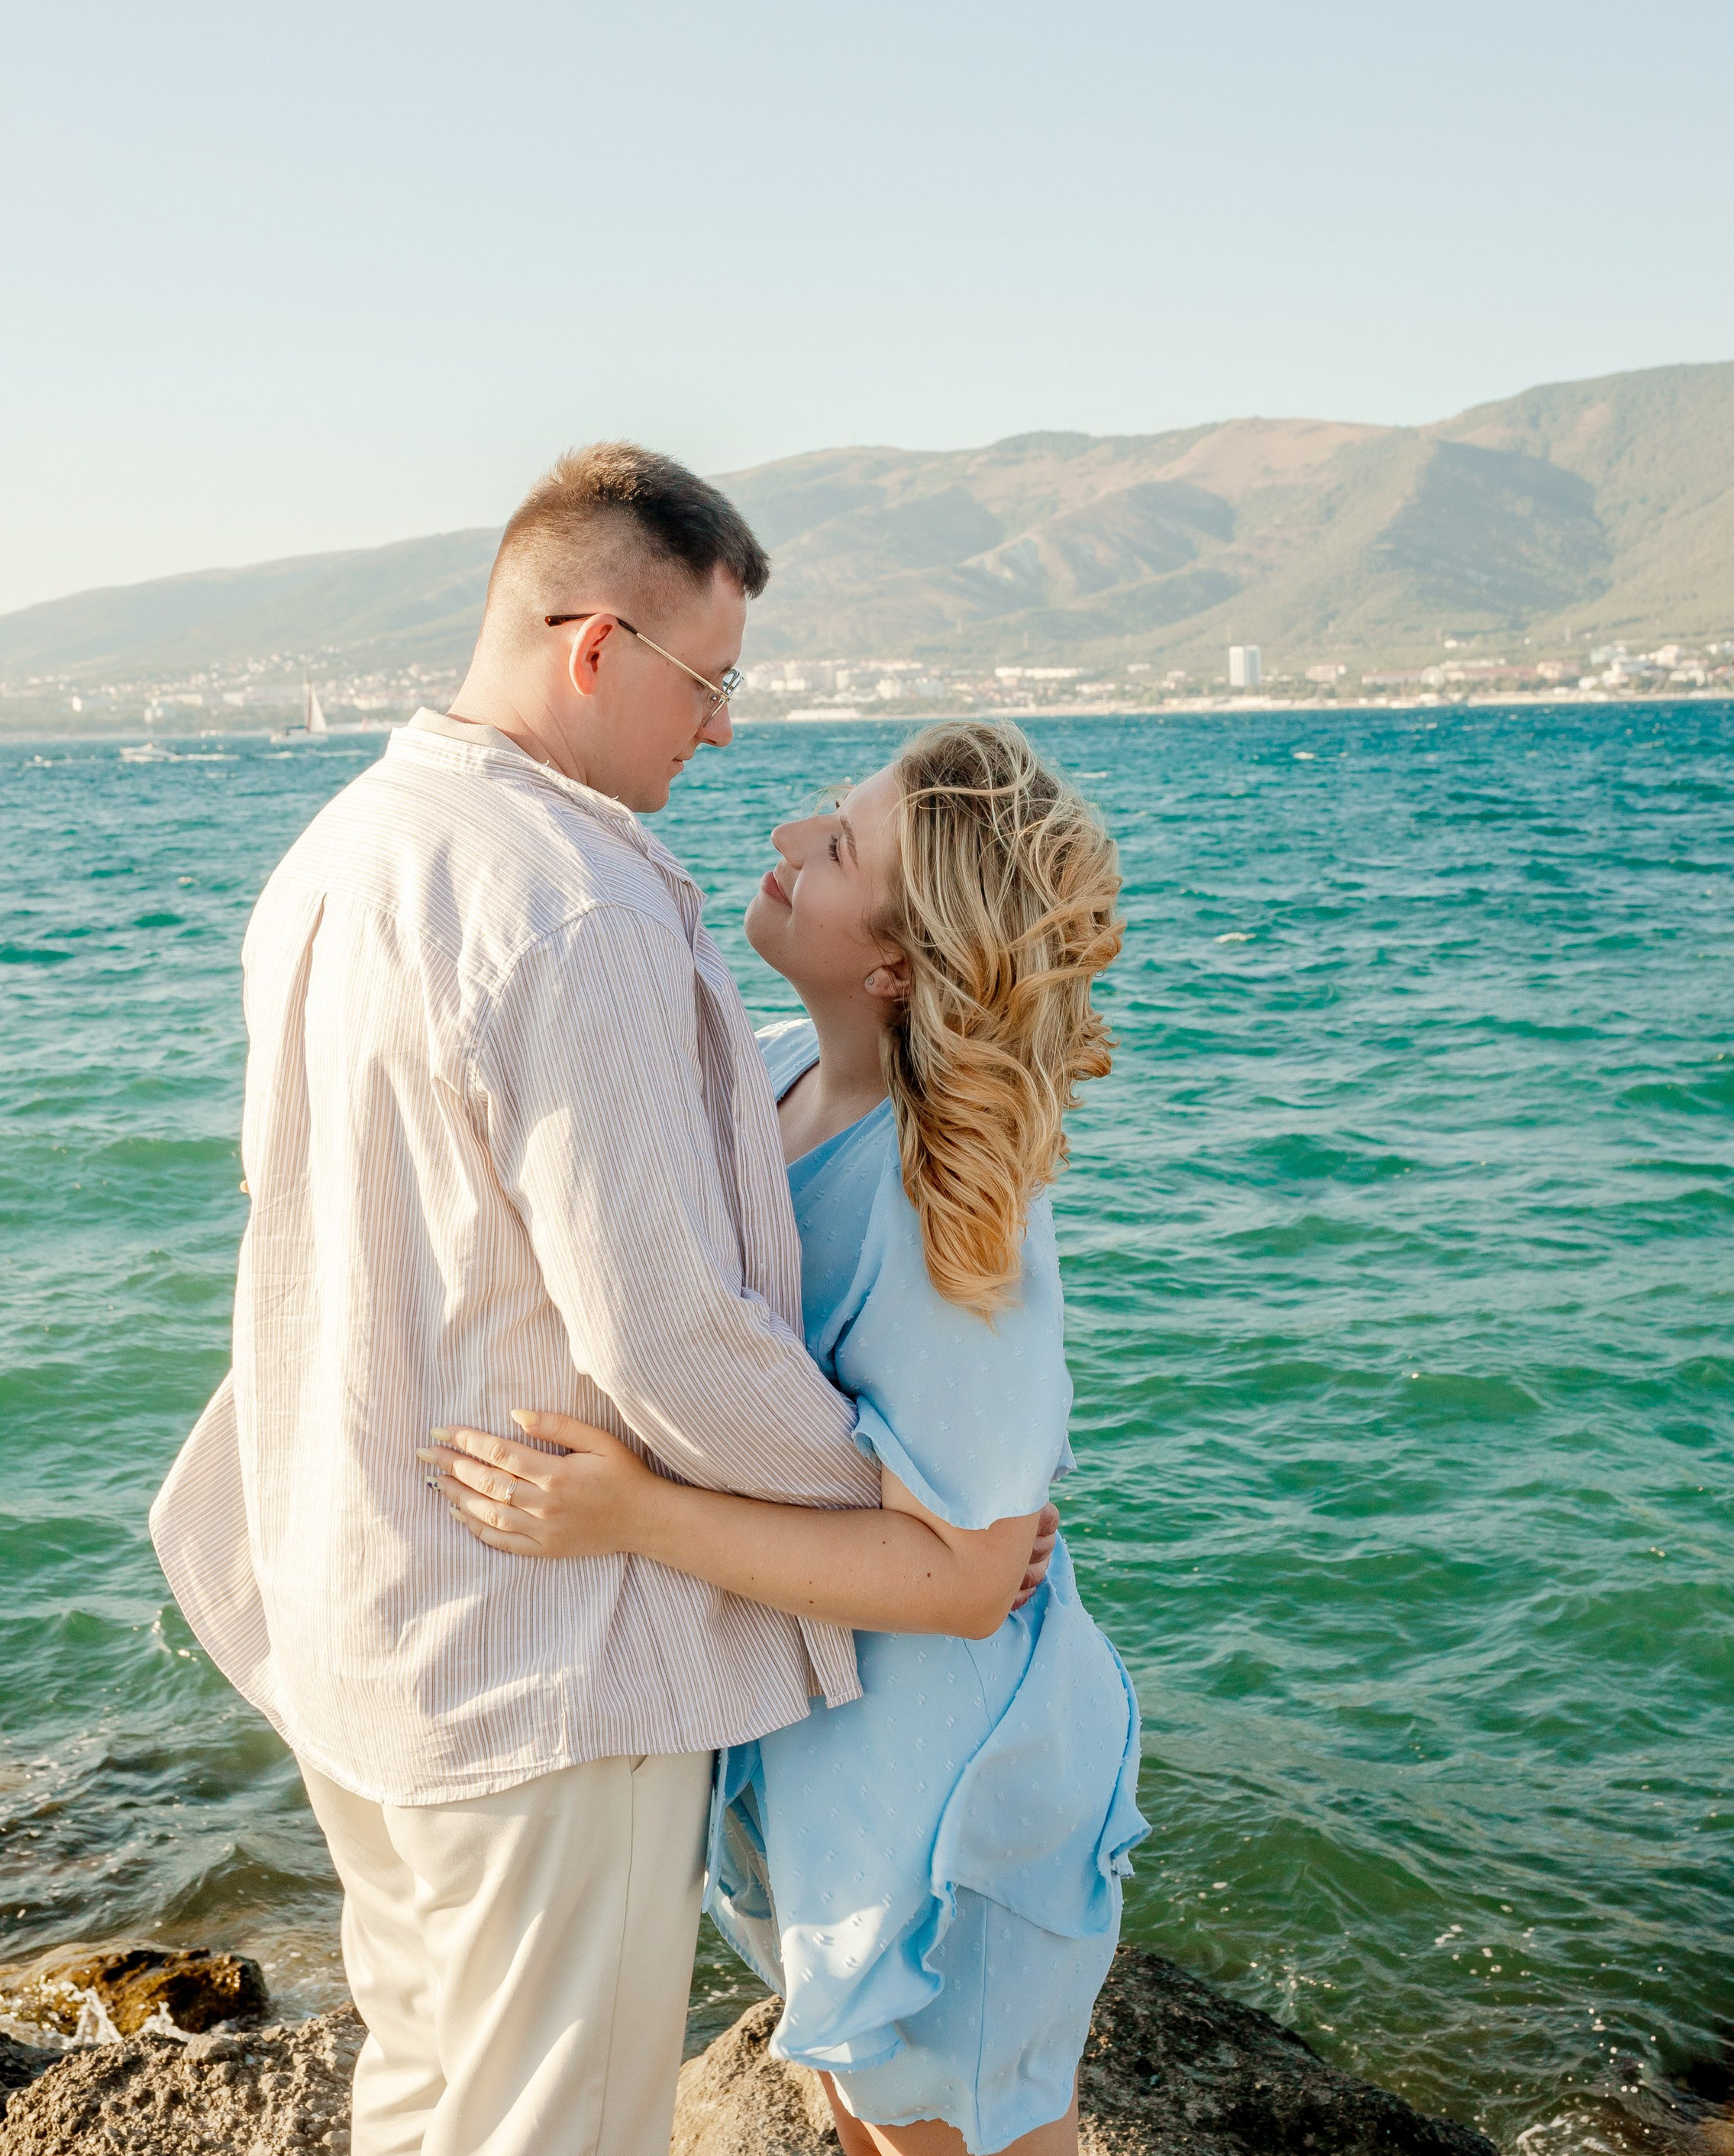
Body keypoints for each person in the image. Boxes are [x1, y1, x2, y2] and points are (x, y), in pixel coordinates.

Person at [149, 443, 1048, 2156]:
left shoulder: (348, 848)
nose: (718, 732)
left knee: (425, 2095)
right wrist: (899, 1530)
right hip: (530, 1656)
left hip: (359, 1605)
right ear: (593, 651)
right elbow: (667, 1332)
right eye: (707, 683)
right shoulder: (573, 906)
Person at [429, 718, 1148, 2156]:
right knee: (864, 2117)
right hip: (820, 1761)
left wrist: (632, 1517)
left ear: (894, 963)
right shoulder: (764, 1076)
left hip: (948, 1792)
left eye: (835, 847)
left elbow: (966, 1578)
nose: (784, 841)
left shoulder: (949, 1212)